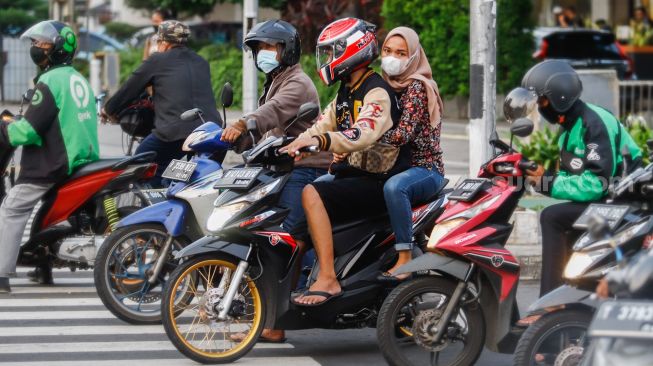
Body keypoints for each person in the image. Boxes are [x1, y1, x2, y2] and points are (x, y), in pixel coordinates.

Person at [281, 18, 411, 306]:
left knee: (311, 191)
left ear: (352, 50)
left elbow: (362, 133)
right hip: (354, 175)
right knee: (296, 236)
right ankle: (277, 318)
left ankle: (328, 278)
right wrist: (291, 145)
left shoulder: (376, 91)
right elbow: (321, 125)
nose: (327, 60)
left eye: (331, 52)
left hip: (379, 180)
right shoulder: (346, 89)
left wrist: (320, 143)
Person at [222, 19, 330, 343]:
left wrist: (243, 123)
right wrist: (237, 140)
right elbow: (269, 131)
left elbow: (272, 113)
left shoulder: (296, 84)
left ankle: (276, 321)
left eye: (269, 47)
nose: (263, 54)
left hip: (306, 168)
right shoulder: (276, 80)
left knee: (284, 238)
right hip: (283, 168)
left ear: (287, 50)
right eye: (259, 49)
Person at [522, 60, 642, 298]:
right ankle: (570, 296)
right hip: (607, 199)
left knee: (552, 217)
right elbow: (571, 176)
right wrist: (541, 181)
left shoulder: (594, 122)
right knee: (561, 217)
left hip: (624, 202)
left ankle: (550, 301)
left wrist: (549, 180)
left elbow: (596, 184)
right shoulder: (569, 126)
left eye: (542, 100)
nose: (540, 106)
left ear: (560, 97)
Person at [0, 21, 99, 292]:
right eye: (34, 43)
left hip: (54, 162)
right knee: (47, 214)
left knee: (12, 208)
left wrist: (7, 127)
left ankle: (1, 275)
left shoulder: (50, 81)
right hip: (82, 158)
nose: (35, 48)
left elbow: (29, 131)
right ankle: (42, 268)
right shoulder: (78, 78)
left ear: (56, 49)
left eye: (40, 43)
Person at [102, 20, 221, 187]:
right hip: (210, 131)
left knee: (141, 164)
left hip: (174, 131)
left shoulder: (157, 60)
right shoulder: (201, 62)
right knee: (198, 181)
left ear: (163, 42)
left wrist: (108, 110)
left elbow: (129, 89)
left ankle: (155, 205)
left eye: (157, 42)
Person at [375, 27, 446, 281]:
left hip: (425, 169)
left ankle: (404, 257)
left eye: (401, 53)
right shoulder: (385, 85)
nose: (392, 57)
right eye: (388, 51)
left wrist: (361, 137)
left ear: (414, 56)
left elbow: (401, 135)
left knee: (395, 188)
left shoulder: (416, 86)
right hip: (396, 165)